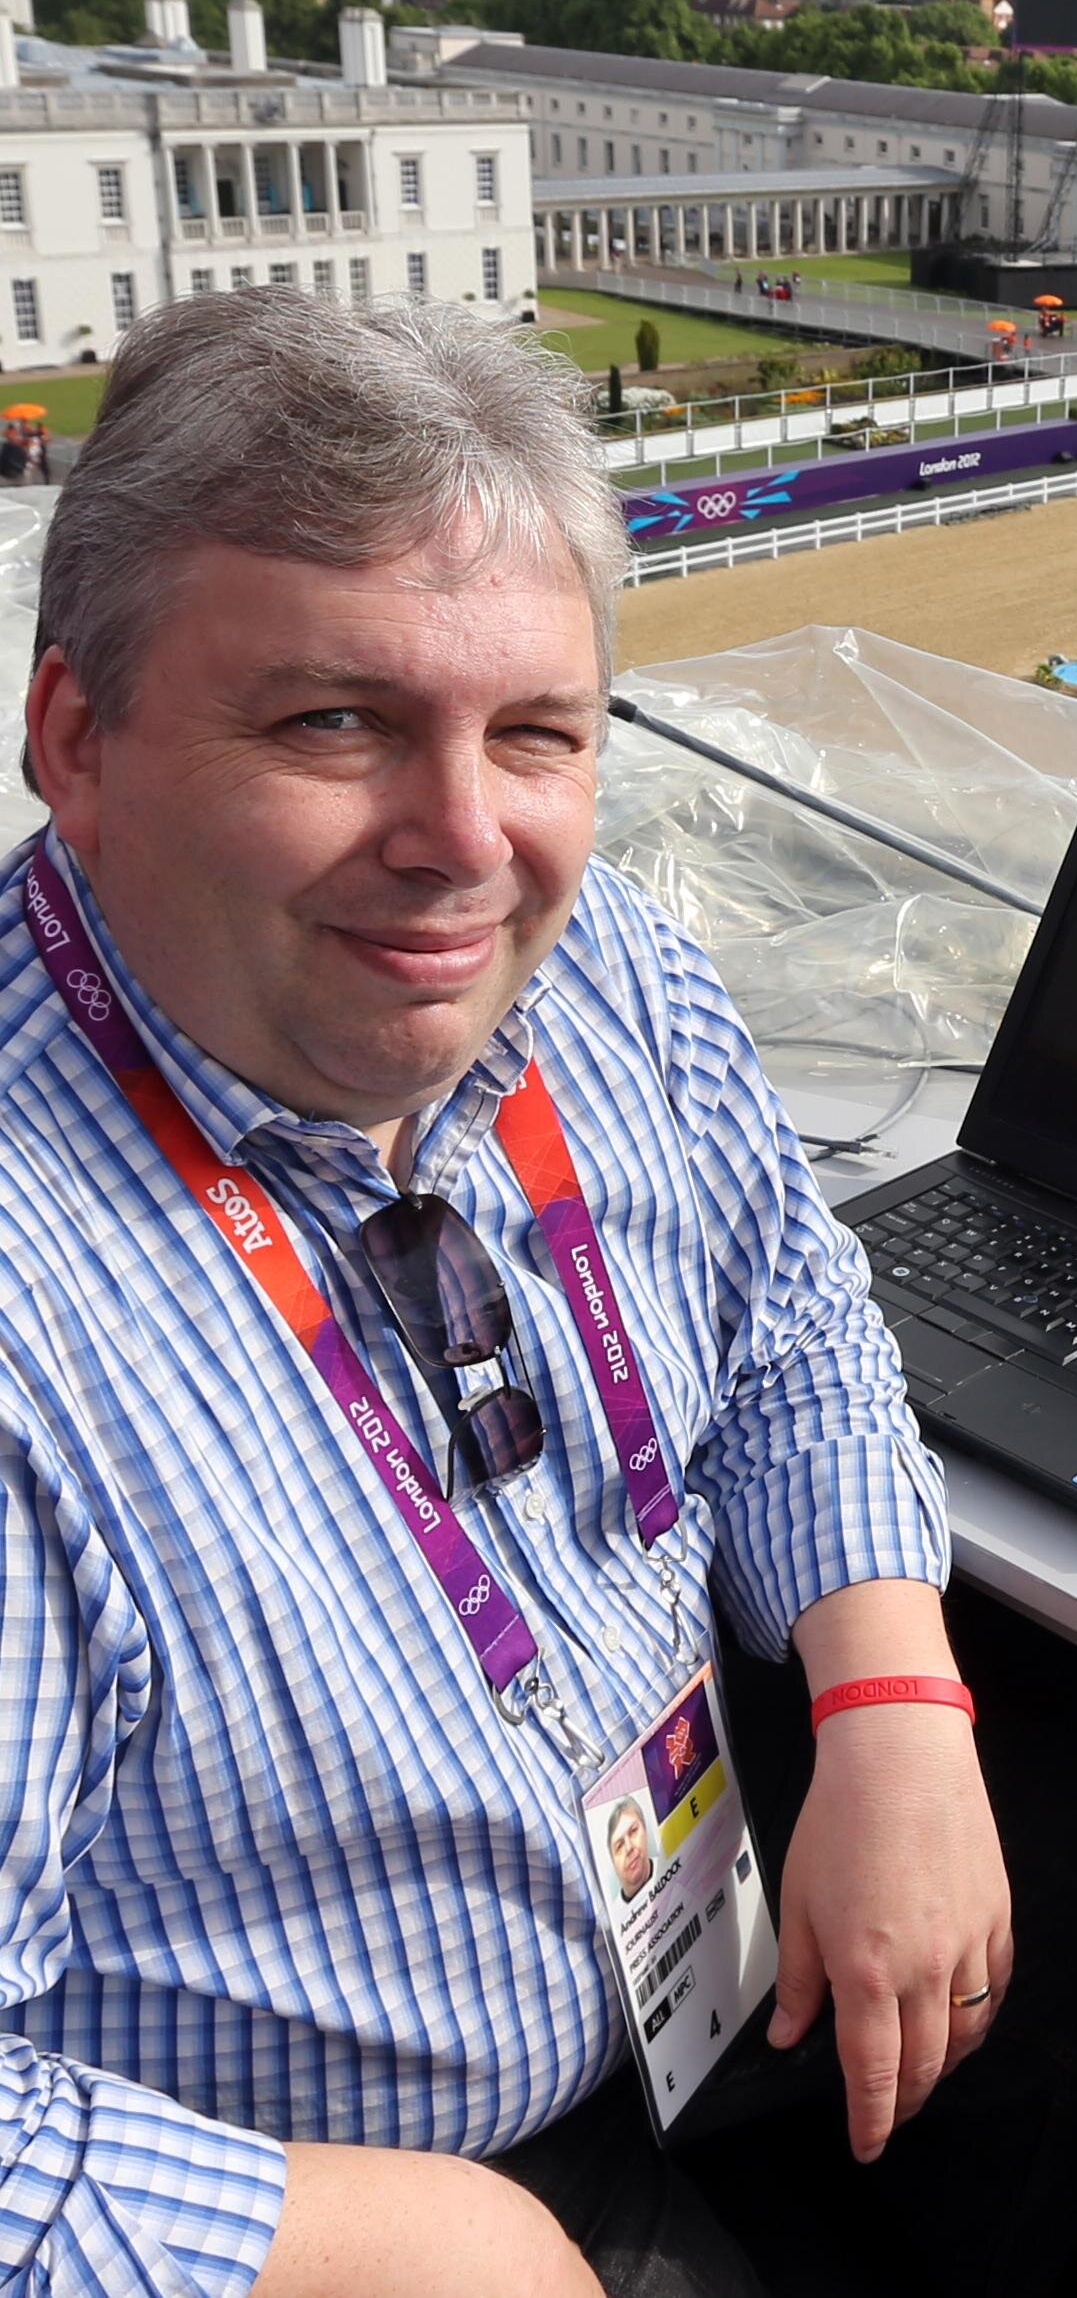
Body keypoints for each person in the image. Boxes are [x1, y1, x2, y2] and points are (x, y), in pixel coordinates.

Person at [0, 290, 1013, 2297]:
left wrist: (895, 1701)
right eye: (334, 722)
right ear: (77, 746)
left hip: (695, 1962)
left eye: (537, 733)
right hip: (356, 2205)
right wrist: (379, 2243)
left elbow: (790, 1306)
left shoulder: (604, 959)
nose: (468, 845)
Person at [604, 1799, 655, 1904]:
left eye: (633, 1831)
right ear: (613, 1861)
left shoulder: (672, 1863)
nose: (629, 1848)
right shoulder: (615, 1916)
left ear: (645, 1830)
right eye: (619, 1845)